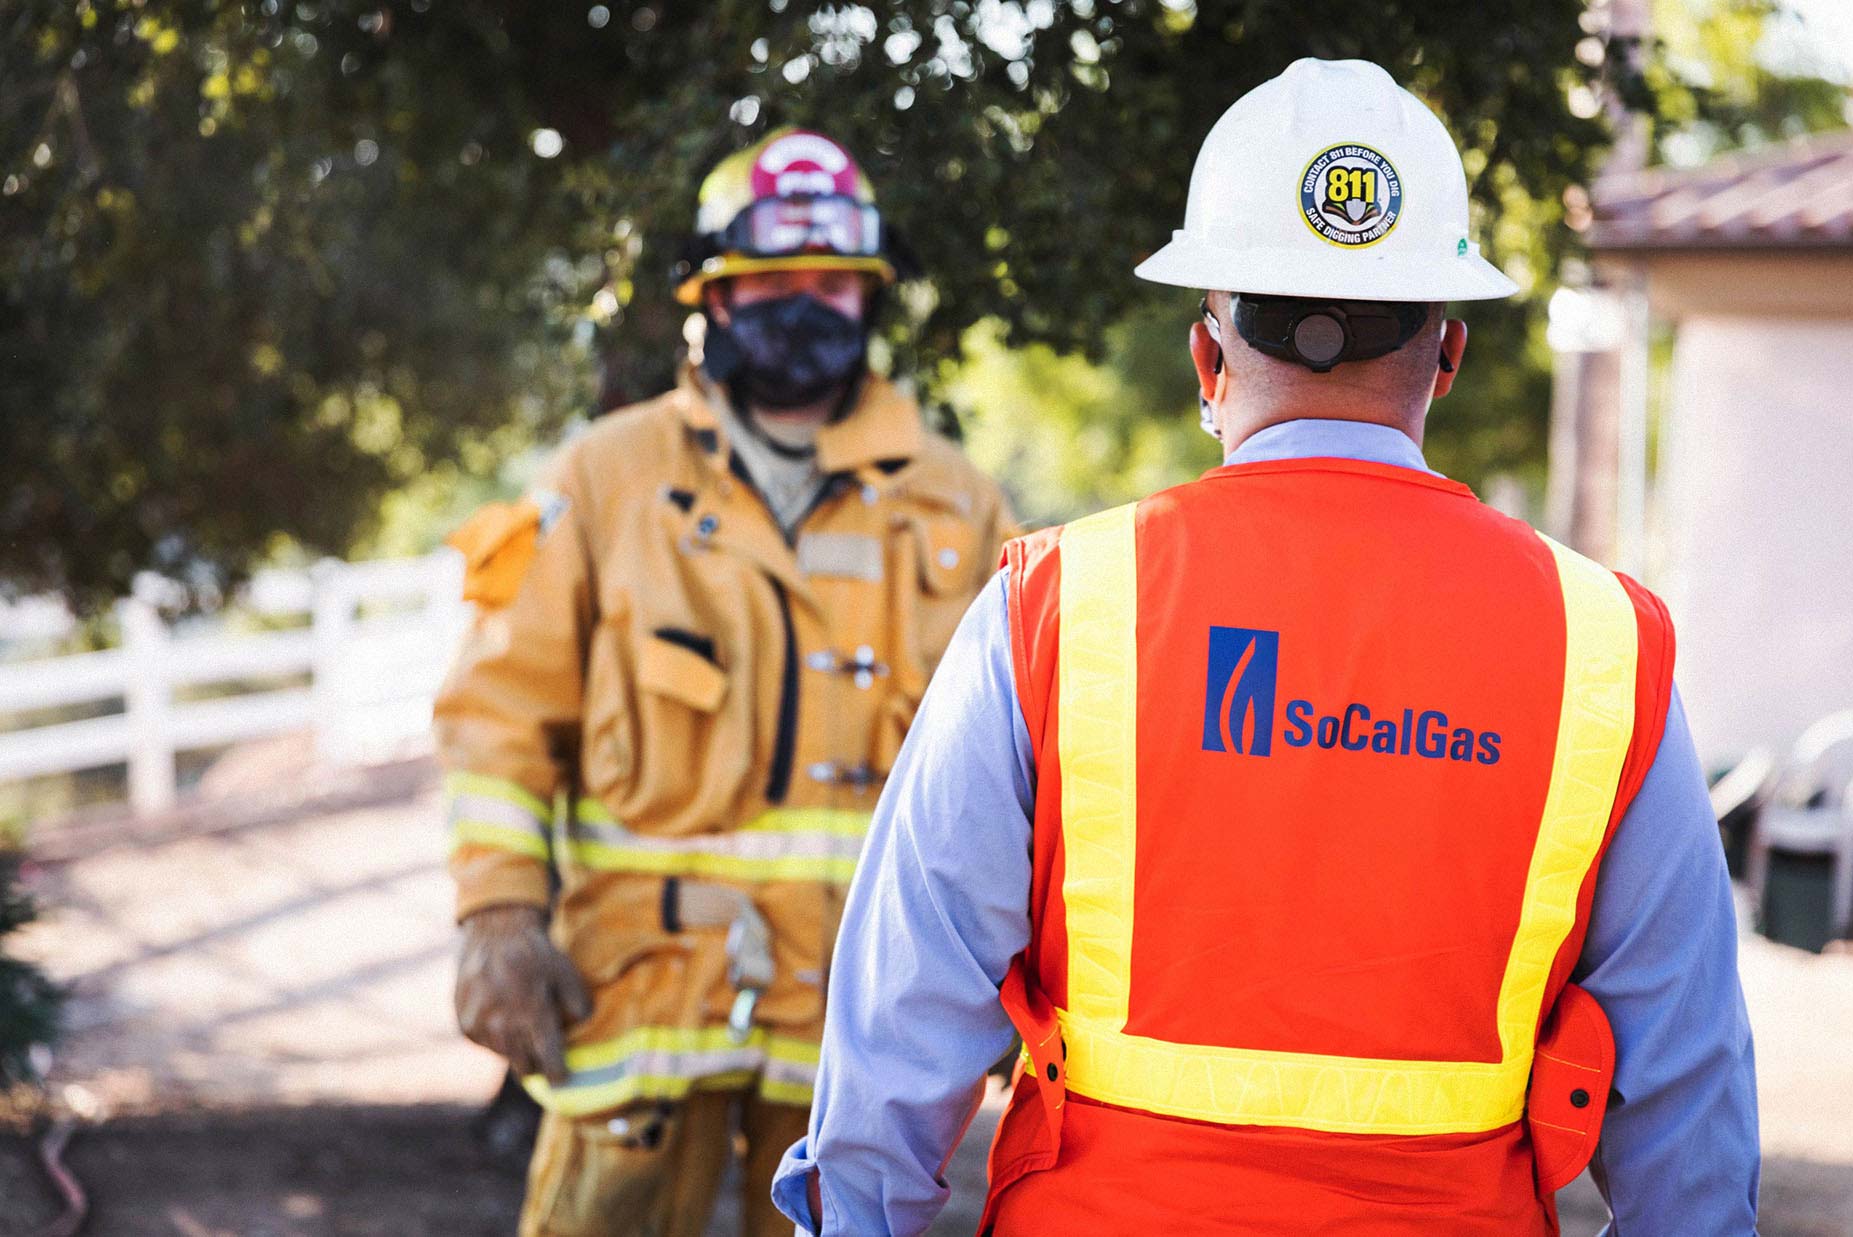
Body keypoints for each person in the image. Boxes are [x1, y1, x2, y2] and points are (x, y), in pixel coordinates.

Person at [772, 59, 1759, 1235]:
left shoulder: (1059, 605)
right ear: (1446, 352)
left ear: (1206, 358)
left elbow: (900, 1015)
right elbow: (1687, 1102)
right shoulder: (1602, 645)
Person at [433, 126, 1016, 1237]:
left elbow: (1024, 771)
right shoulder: (603, 480)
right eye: (773, 282)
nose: (805, 307)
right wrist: (496, 913)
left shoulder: (961, 507)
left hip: (865, 1032)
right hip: (637, 1001)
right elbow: (498, 714)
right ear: (711, 296)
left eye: (833, 286)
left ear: (871, 301)